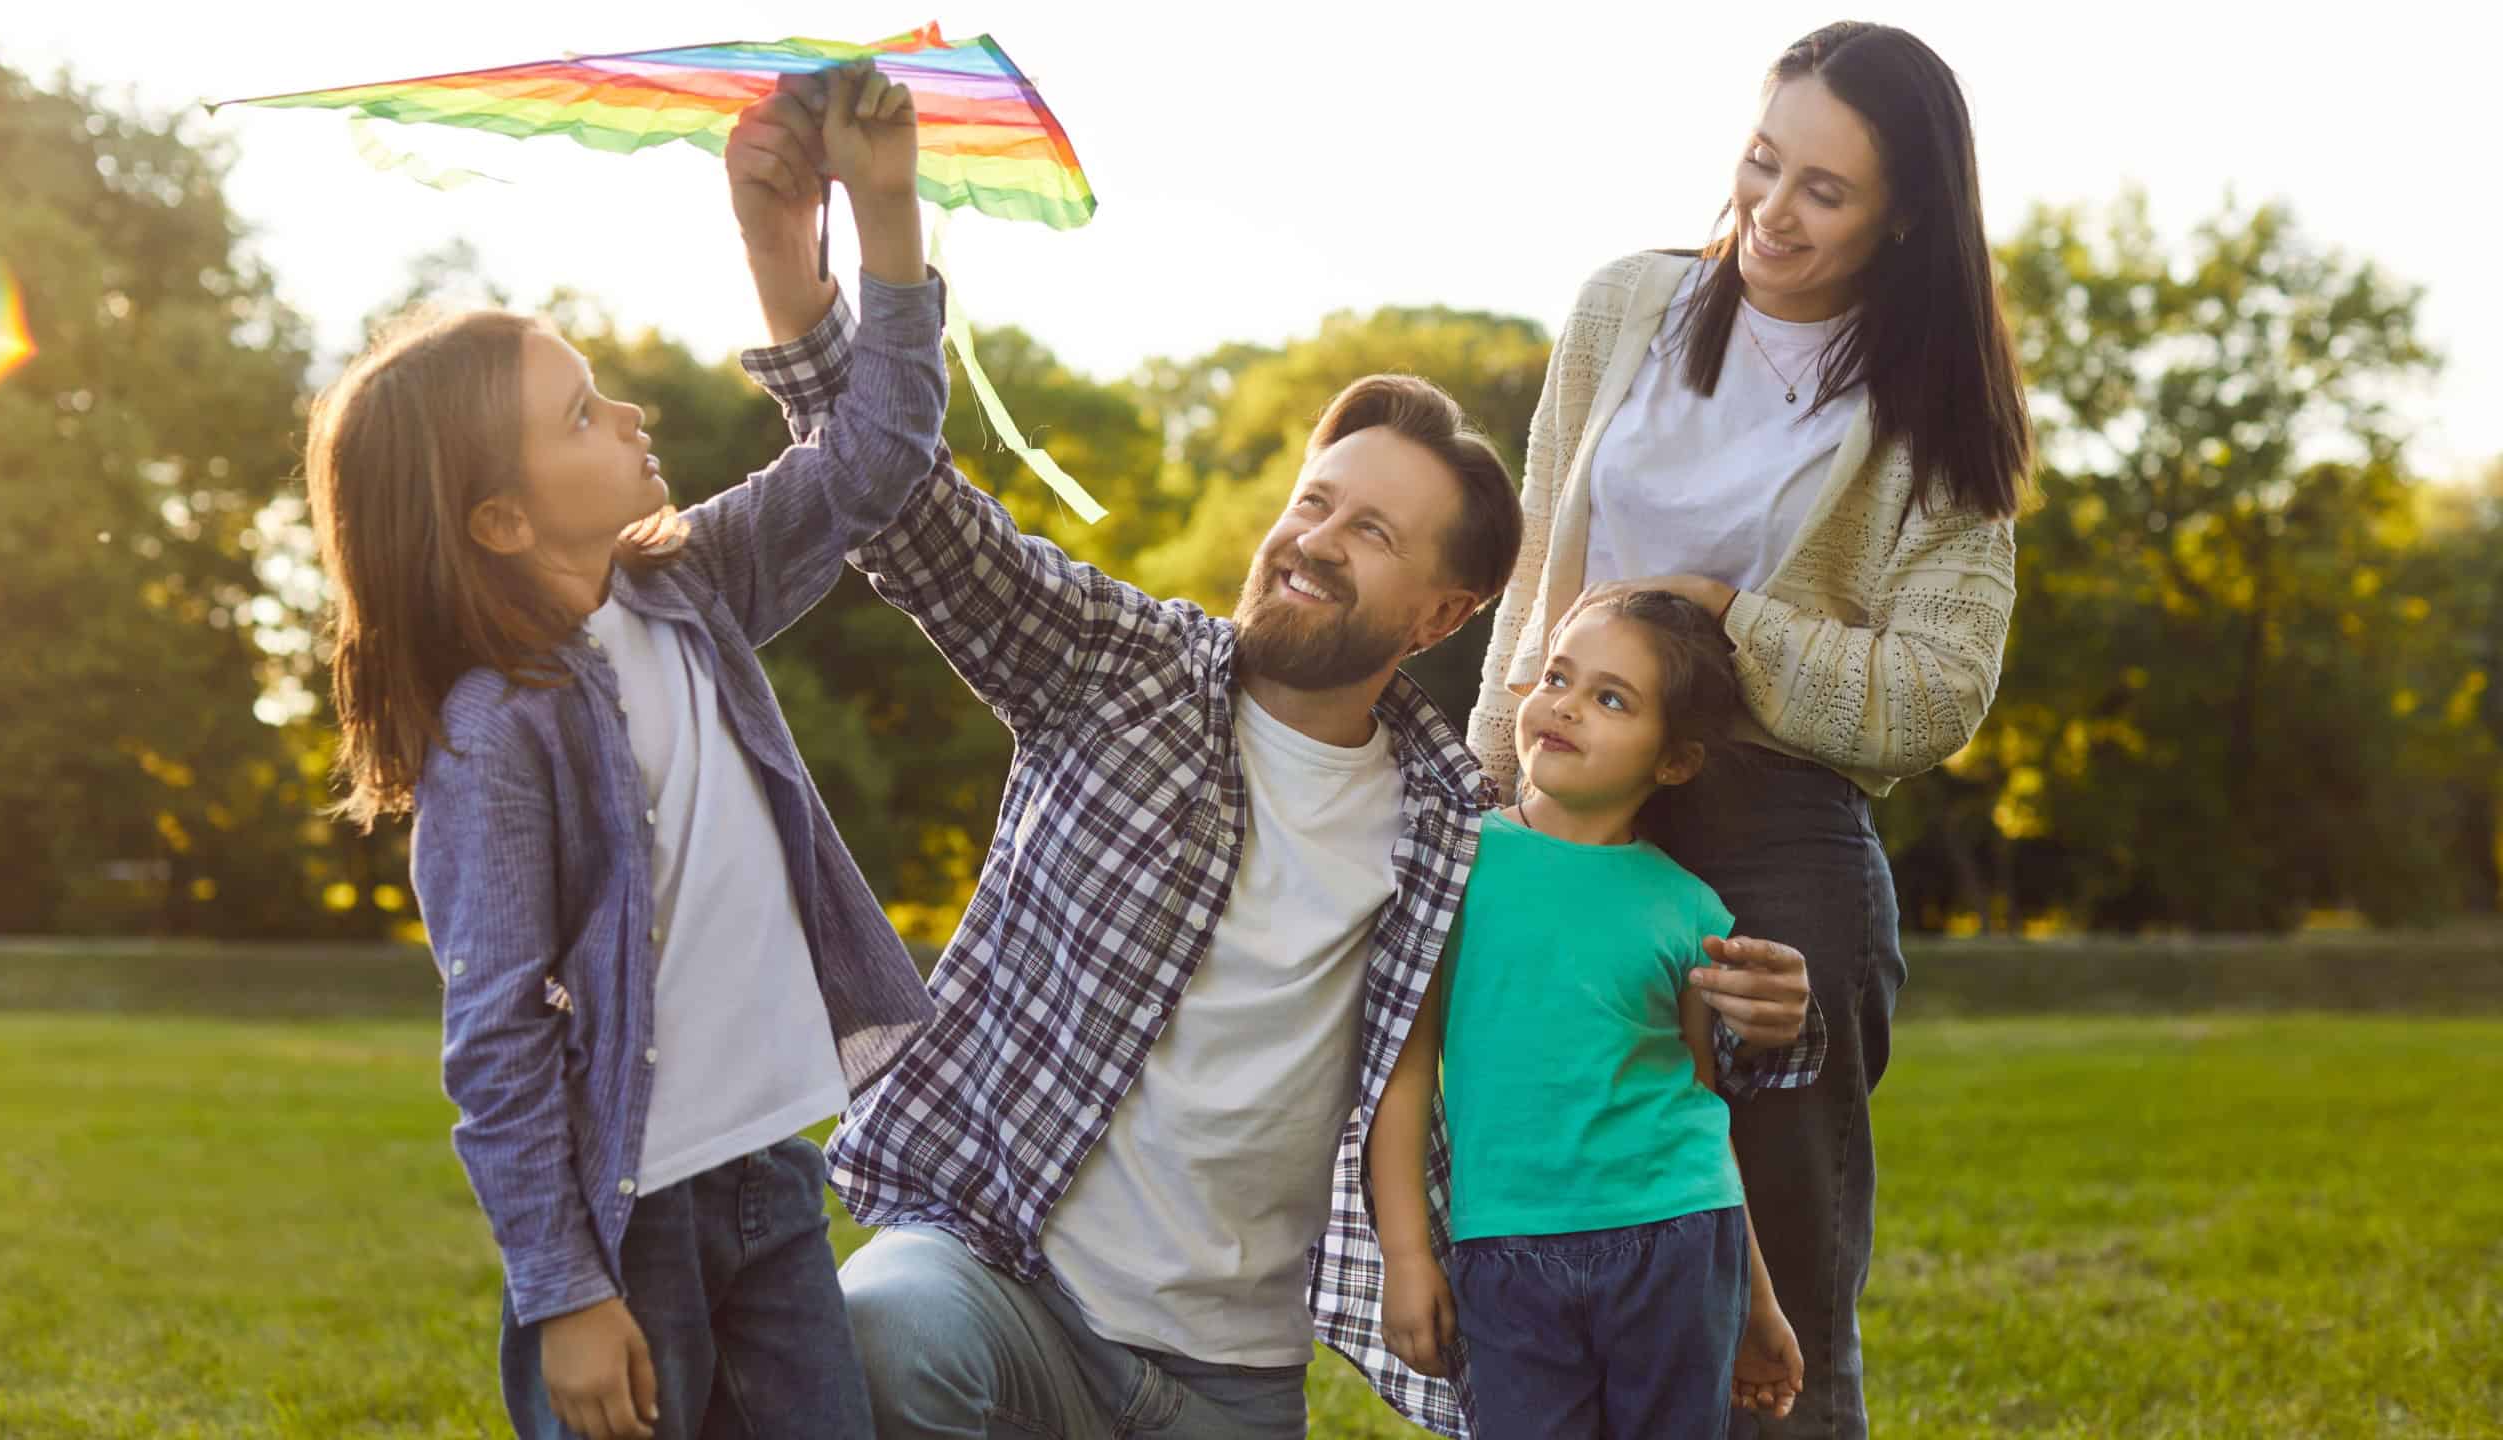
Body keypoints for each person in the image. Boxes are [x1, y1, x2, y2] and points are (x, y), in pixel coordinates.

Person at [806, 351, 1823, 1436]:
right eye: (1313, 503)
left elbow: (1632, 1031)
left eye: (1373, 533)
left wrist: (1778, 1017)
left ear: (1441, 615)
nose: (1316, 541)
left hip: (1222, 1379)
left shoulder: (1450, 834)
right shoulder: (1122, 673)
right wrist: (838, 266)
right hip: (997, 1285)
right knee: (882, 1331)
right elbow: (914, 521)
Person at [306, 62, 940, 1440]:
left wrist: (883, 221)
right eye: (583, 416)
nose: (632, 419)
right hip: (626, 1229)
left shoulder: (686, 588)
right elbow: (495, 1041)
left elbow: (875, 455)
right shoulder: (494, 737)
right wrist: (563, 1290)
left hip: (770, 1183)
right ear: (498, 521)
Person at [1471, 22, 2033, 1438]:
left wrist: (1730, 615)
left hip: (1775, 833)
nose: (1772, 215)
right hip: (1573, 799)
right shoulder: (1626, 311)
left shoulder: (1936, 416)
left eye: (1824, 192)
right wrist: (1495, 776)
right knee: (1544, 1209)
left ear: (1904, 214)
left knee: (1764, 1264)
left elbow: (1934, 699)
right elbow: (1544, 556)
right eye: (1762, 165)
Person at [1372, 585, 1805, 1439]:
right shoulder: (1454, 867)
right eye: (1559, 678)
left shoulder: (1693, 911)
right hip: (1505, 1250)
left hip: (1677, 1239)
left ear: (1673, 761)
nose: (1565, 707)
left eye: (1611, 699)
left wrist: (1757, 1304)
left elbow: (1703, 1105)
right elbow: (1404, 1065)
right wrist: (1407, 1255)